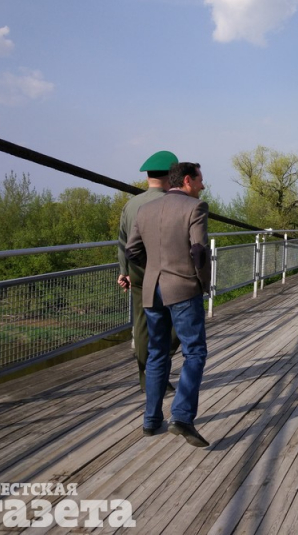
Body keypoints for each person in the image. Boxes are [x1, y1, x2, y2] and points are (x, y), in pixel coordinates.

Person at [126, 162, 211, 447]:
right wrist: (202, 283)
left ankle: (151, 421)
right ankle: (182, 416)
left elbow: (132, 251)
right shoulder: (194, 208)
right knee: (194, 352)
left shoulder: (144, 210)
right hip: (183, 288)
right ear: (187, 180)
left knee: (157, 353)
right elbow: (198, 251)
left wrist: (152, 271)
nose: (202, 186)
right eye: (200, 180)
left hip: (152, 291)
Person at [116, 150, 180, 392]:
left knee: (142, 326)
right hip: (168, 272)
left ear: (148, 177)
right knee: (179, 323)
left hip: (138, 272)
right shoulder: (174, 203)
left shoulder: (130, 204)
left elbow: (122, 242)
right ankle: (159, 369)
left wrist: (124, 271)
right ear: (171, 175)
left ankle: (150, 380)